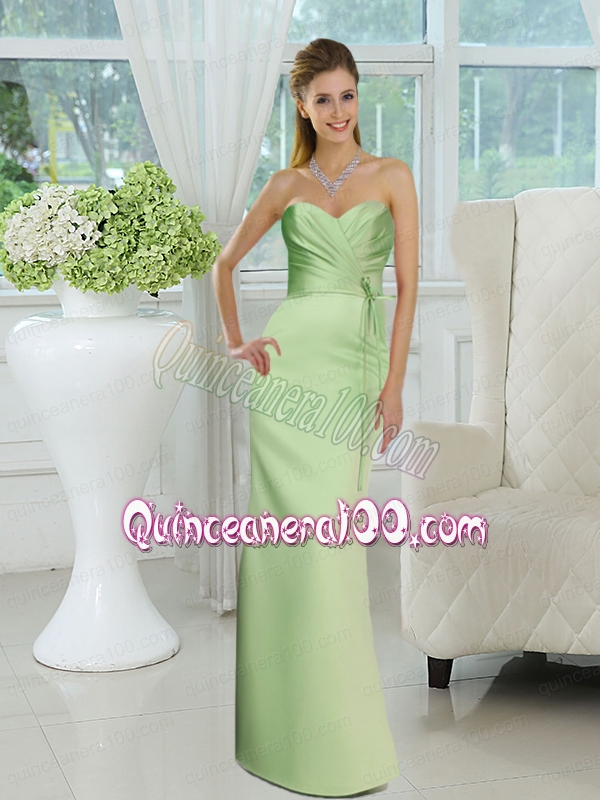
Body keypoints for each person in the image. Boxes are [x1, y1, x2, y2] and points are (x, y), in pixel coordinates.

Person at [212, 37, 418, 798]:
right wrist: (237, 342)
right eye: (323, 99)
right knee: (286, 549)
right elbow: (223, 264)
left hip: (353, 375)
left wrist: (393, 386)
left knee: (334, 548)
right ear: (301, 105)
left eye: (348, 96)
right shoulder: (286, 184)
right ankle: (279, 735)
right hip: (288, 372)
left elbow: (407, 286)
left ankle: (340, 742)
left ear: (359, 97)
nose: (338, 111)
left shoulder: (392, 176)